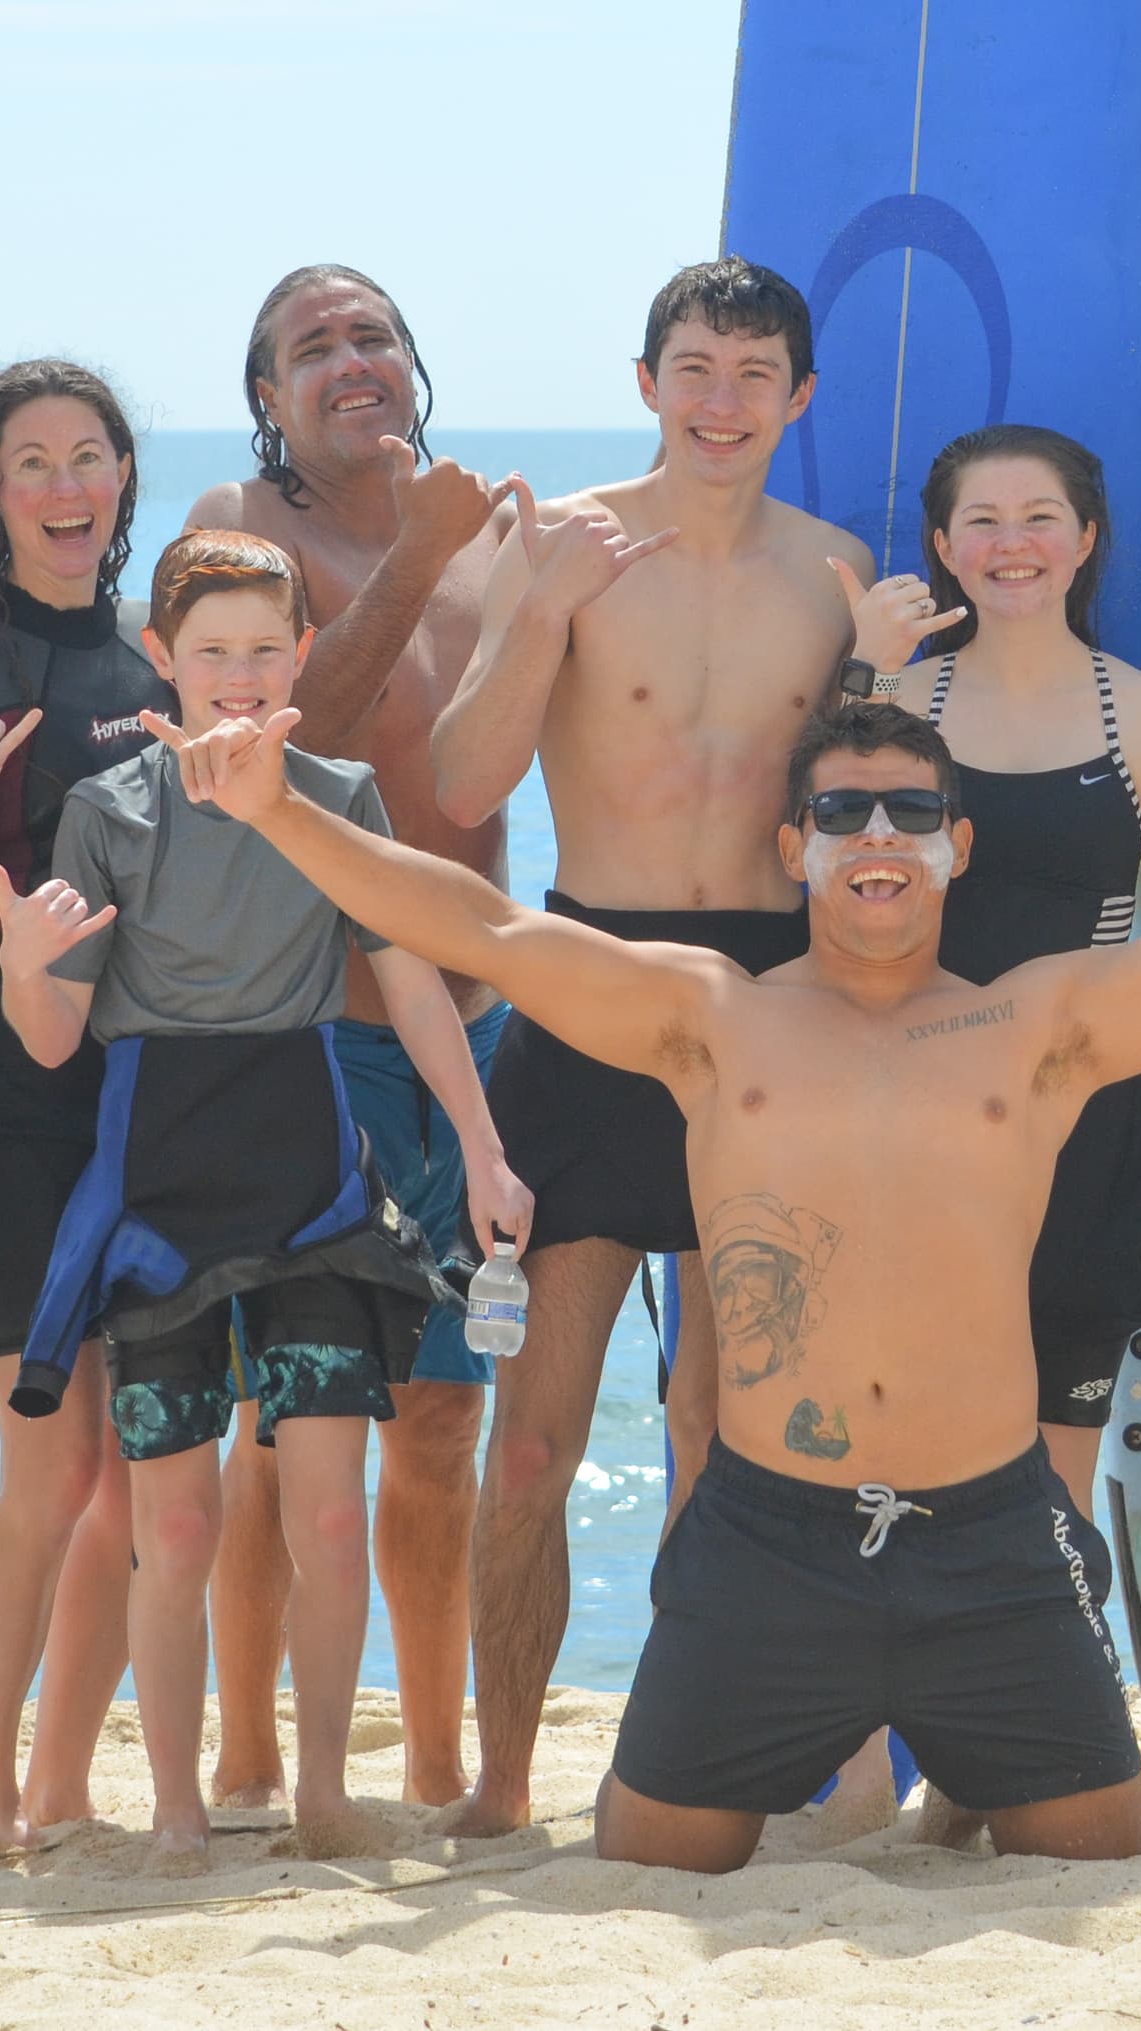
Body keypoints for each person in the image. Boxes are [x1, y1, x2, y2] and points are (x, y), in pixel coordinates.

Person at [161, 691, 1141, 1874]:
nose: (878, 833)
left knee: (1098, 1848)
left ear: (959, 845)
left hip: (994, 1540)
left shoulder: (1039, 1022)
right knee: (650, 1858)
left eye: (910, 810)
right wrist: (279, 809)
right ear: (796, 847)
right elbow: (484, 928)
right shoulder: (711, 1016)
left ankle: (963, 1775)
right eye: (843, 811)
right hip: (770, 1540)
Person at [0, 529, 531, 1865]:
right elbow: (52, 1043)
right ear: (161, 659)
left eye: (265, 649)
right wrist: (20, 963)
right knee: (175, 1521)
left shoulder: (339, 795)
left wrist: (481, 1146)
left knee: (328, 1508)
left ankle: (327, 1792)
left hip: (310, 1184)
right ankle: (178, 1805)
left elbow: (409, 978)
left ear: (302, 656)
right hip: (156, 1189)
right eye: (212, 649)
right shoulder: (106, 809)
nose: (239, 673)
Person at [424, 258, 868, 1837]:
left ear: (799, 395)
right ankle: (500, 1784)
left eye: (754, 372)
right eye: (695, 366)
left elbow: (875, 821)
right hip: (590, 988)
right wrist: (541, 607)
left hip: (766, 1006)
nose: (721, 400)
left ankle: (697, 1765)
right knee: (534, 1436)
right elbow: (464, 781)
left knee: (730, 1436)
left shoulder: (838, 574)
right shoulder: (561, 545)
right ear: (645, 381)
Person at [177, 267, 511, 1816]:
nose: (352, 360)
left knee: (444, 1418)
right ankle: (250, 1756)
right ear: (268, 393)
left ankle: (438, 1760)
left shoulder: (489, 537)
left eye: (374, 333)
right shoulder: (238, 525)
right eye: (313, 346)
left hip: (481, 1037)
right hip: (315, 1038)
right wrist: (424, 551)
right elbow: (276, 740)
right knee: (283, 1420)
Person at [842, 423, 1141, 1517]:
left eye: (1039, 519)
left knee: (1058, 1481)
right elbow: (816, 892)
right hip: (913, 1124)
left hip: (1091, 1127)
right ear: (943, 546)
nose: (1011, 544)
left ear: (1086, 539)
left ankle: (1057, 1636)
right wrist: (864, 672)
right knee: (902, 1465)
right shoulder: (893, 710)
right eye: (982, 521)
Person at [0, 359, 176, 1857]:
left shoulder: (155, 663)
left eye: (89, 456)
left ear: (123, 475)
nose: (66, 487)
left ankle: (63, 1785)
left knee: (133, 1473)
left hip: (147, 1103)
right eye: (32, 464)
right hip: (8, 1109)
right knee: (52, 1467)